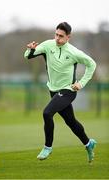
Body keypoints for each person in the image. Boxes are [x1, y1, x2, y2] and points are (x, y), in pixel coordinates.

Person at [24, 22, 97, 163]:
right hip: (53, 90)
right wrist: (30, 49)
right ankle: (89, 144)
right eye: (56, 34)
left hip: (68, 90)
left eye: (61, 36)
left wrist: (81, 83)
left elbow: (91, 64)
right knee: (71, 122)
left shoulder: (74, 52)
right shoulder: (48, 45)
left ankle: (47, 147)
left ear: (68, 37)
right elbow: (28, 56)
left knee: (47, 113)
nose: (57, 38)